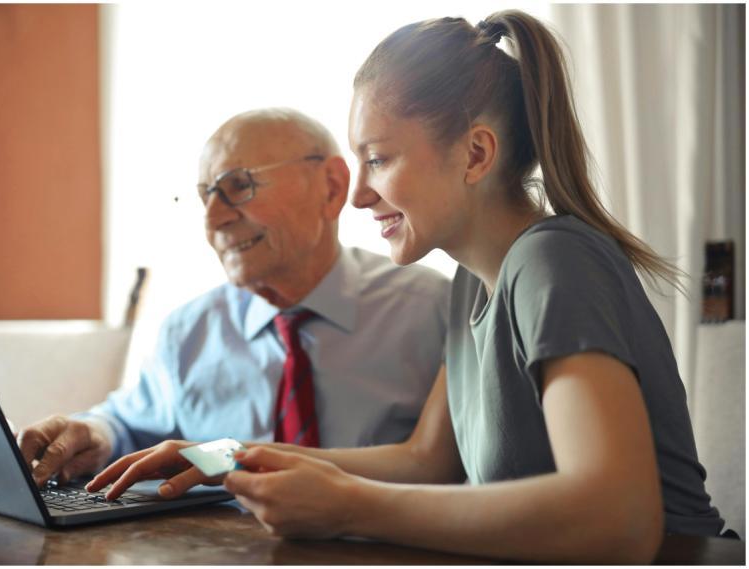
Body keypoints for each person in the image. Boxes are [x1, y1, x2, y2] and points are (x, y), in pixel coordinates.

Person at [87, 11, 726, 563]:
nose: (360, 195)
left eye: (379, 159)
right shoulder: (471, 286)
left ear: (476, 155)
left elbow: (619, 521)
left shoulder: (554, 262)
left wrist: (347, 509)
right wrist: (223, 458)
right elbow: (428, 460)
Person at [17, 108, 449, 489]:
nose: (213, 220)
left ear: (332, 187)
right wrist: (93, 434)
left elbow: (447, 468)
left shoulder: (432, 309)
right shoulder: (189, 330)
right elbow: (129, 424)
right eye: (206, 195)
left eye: (237, 186)